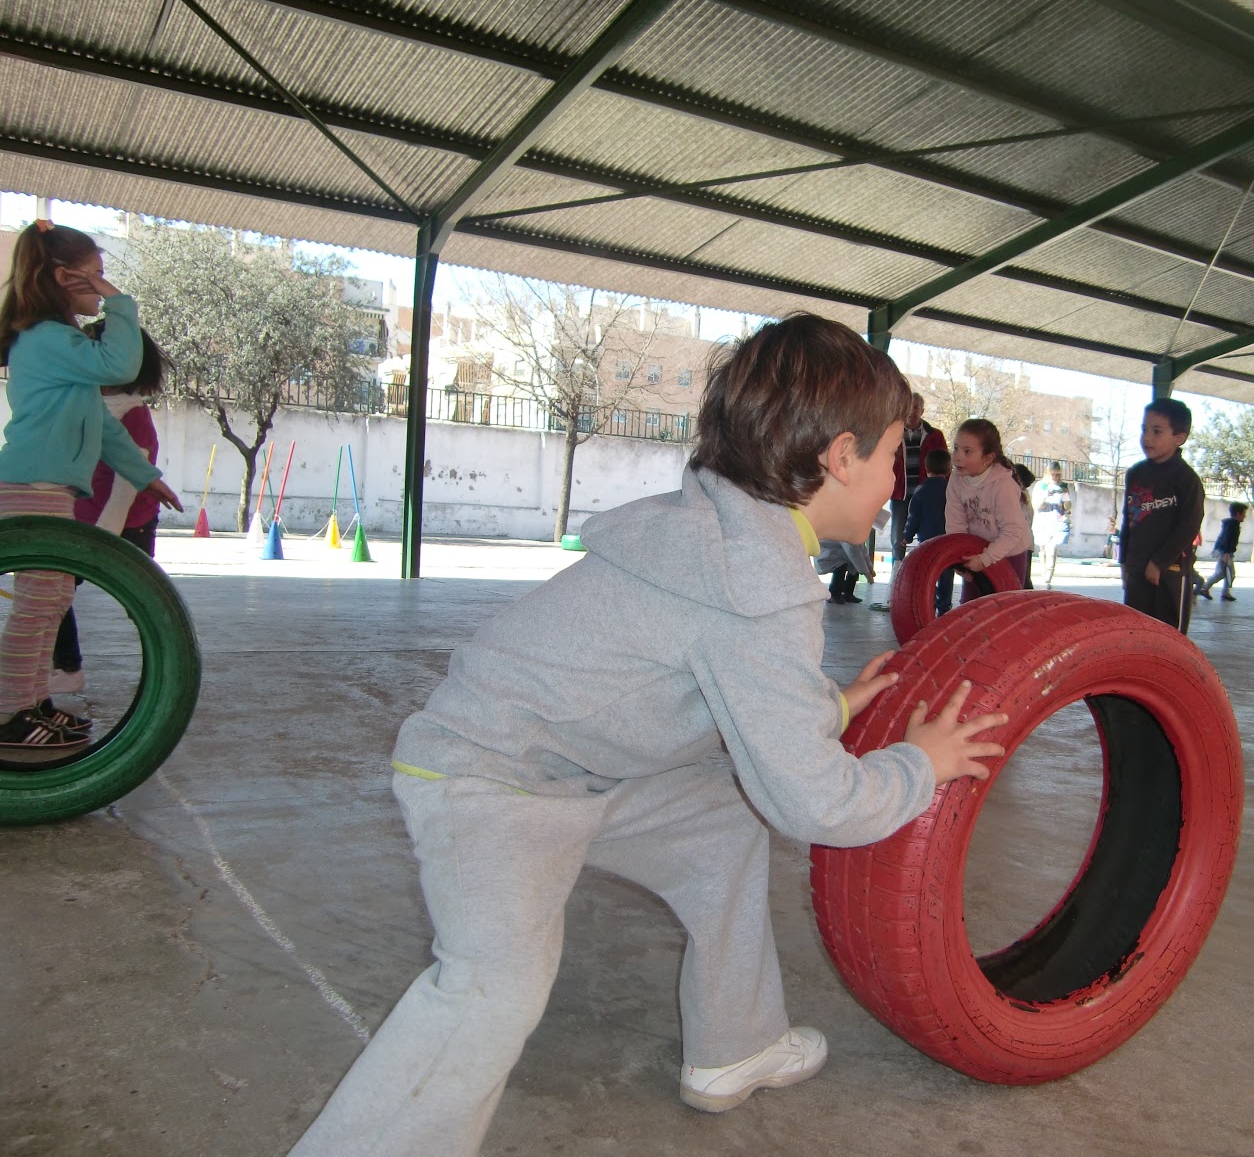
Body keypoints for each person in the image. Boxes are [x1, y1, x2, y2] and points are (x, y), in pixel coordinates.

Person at [285, 315, 1006, 1157]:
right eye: (892, 457)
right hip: (487, 784)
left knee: (723, 825)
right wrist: (922, 764)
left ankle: (734, 1047)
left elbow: (718, 689)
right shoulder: (758, 584)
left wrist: (833, 708)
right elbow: (816, 801)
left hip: (584, 773)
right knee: (492, 992)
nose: (895, 479)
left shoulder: (720, 527)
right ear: (841, 457)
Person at [0, 221, 181, 750]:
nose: (103, 285)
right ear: (63, 276)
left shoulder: (60, 344)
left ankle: (32, 705)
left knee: (52, 599)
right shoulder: (47, 340)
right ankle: (11, 711)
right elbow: (122, 361)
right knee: (37, 604)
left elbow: (103, 426)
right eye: (95, 275)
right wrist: (120, 302)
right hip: (31, 483)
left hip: (49, 486)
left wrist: (147, 476)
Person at [51, 326, 171, 694]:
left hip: (127, 525)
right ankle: (67, 668)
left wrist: (102, 542)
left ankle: (166, 671)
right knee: (53, 589)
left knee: (144, 605)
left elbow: (125, 488)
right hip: (86, 521)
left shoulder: (132, 414)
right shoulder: (85, 404)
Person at [1119, 398, 1205, 633]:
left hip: (1170, 572)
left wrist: (1159, 563)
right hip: (1137, 569)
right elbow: (1129, 520)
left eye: (1157, 431)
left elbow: (1189, 526)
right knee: (1137, 632)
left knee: (1168, 637)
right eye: (1144, 429)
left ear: (1179, 438)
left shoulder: (1186, 479)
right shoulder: (1136, 474)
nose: (1147, 438)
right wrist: (1124, 561)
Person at [944, 418, 1031, 604]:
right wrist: (959, 560)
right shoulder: (956, 480)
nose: (957, 456)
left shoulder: (1003, 484)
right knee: (970, 606)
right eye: (956, 448)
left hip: (1009, 552)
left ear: (988, 458)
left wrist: (986, 559)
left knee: (1004, 609)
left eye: (967, 452)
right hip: (975, 550)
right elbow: (955, 524)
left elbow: (1013, 531)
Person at [889, 393, 947, 566]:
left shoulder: (935, 436)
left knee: (931, 535)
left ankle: (930, 571)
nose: (911, 411)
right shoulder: (892, 434)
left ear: (922, 410)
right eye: (908, 406)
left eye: (915, 407)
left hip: (928, 493)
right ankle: (896, 573)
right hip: (900, 492)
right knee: (898, 536)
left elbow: (943, 462)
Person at [903, 447, 953, 614]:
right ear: (948, 469)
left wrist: (907, 535)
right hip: (948, 539)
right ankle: (944, 606)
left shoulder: (921, 491)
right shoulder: (952, 491)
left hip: (927, 540)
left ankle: (928, 605)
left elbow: (914, 516)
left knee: (928, 573)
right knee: (946, 572)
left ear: (926, 468)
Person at [1031, 461, 1071, 588]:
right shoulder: (1040, 485)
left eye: (1058, 475)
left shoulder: (1063, 485)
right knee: (1042, 549)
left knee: (1052, 549)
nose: (1056, 478)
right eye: (1053, 475)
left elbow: (1068, 507)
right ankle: (1044, 574)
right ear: (1047, 474)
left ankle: (1048, 578)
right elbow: (1036, 506)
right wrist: (1045, 495)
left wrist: (1065, 496)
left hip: (1056, 522)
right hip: (1042, 521)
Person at [1198, 503, 1248, 602]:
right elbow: (1227, 539)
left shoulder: (1232, 524)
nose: (1245, 516)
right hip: (1224, 552)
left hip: (1225, 551)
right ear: (1238, 513)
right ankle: (1205, 588)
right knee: (1224, 573)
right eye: (1244, 513)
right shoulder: (1233, 525)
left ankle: (1224, 592)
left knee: (1227, 573)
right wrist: (1226, 553)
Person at [816, 537, 873, 605]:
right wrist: (867, 573)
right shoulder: (848, 533)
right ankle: (834, 595)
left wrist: (870, 568)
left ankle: (848, 594)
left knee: (854, 566)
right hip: (828, 552)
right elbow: (853, 552)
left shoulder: (858, 533)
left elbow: (863, 550)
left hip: (841, 552)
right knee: (841, 566)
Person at [1012, 463, 1036, 589]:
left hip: (1020, 543)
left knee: (1022, 580)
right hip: (1025, 542)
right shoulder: (1024, 494)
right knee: (1023, 579)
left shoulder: (1019, 495)